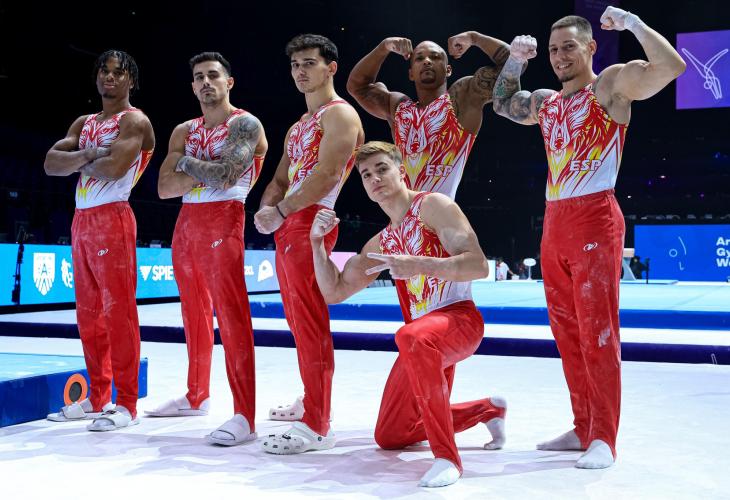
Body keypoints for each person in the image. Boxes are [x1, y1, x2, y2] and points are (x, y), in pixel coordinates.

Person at [493, 6, 685, 468]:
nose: (559, 56)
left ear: (591, 47)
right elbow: (502, 103)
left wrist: (634, 24)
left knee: (599, 333)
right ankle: (583, 426)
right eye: (553, 49)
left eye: (569, 47)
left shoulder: (610, 86)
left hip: (595, 217)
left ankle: (604, 437)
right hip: (554, 221)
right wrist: (515, 60)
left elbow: (671, 67)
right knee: (568, 335)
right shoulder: (546, 102)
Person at [295, 141, 506, 487]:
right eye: (366, 175)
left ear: (401, 171)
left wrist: (420, 264)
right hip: (421, 338)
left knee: (409, 335)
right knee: (390, 435)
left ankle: (447, 458)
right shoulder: (382, 243)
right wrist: (317, 244)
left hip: (459, 320)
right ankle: (487, 409)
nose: (375, 178)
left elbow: (478, 265)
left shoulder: (434, 206)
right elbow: (334, 292)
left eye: (382, 169)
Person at [254, 34, 364, 450]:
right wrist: (267, 210)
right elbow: (280, 178)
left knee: (311, 323)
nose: (300, 71)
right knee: (298, 323)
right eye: (295, 64)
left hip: (312, 220)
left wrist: (281, 211)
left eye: (309, 63)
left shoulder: (341, 115)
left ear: (330, 68)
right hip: (288, 222)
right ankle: (310, 400)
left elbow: (328, 174)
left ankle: (318, 423)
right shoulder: (299, 125)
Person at [152, 52, 267, 445]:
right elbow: (164, 188)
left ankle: (245, 415)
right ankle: (196, 394)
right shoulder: (183, 130)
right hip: (186, 224)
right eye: (199, 76)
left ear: (228, 82)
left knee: (232, 316)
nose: (206, 82)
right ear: (192, 86)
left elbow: (226, 176)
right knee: (193, 313)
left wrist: (185, 164)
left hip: (224, 218)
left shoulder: (245, 124)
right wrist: (202, 166)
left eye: (213, 75)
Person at [43, 50, 155, 431]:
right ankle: (98, 396)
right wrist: (91, 152)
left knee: (118, 313)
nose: (110, 77)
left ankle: (126, 403)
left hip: (113, 217)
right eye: (104, 71)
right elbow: (50, 164)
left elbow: (115, 169)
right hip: (81, 221)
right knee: (89, 315)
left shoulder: (134, 120)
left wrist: (76, 160)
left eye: (118, 72)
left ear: (131, 80)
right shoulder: (84, 123)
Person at [347, 32, 510, 198]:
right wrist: (384, 46)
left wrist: (474, 38)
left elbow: (513, 65)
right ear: (411, 73)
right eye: (419, 58)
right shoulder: (398, 107)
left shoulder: (463, 97)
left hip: (441, 212)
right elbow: (357, 87)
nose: (427, 61)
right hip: (403, 212)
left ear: (448, 70)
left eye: (435, 57)